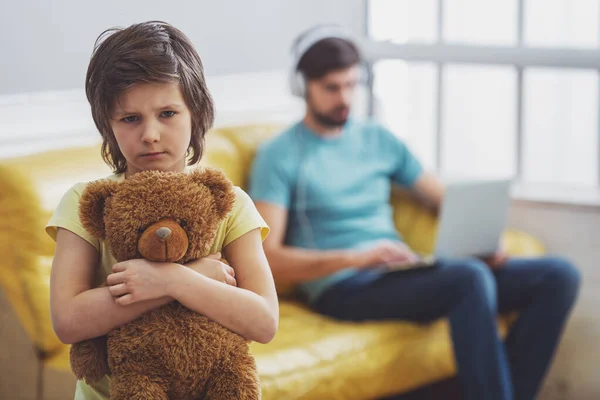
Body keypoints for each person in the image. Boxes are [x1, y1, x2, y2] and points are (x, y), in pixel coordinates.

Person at [248, 24, 580, 400]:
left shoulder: (378, 139)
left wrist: (484, 240)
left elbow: (443, 198)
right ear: (303, 86)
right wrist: (357, 257)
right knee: (468, 279)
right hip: (343, 285)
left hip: (400, 272)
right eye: (331, 88)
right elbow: (268, 258)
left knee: (557, 275)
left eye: (351, 86)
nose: (344, 98)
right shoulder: (279, 156)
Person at [46, 21, 278, 399]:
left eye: (167, 113)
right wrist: (187, 278)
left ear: (196, 112)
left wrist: (173, 281)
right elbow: (69, 321)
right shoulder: (85, 201)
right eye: (130, 118)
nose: (150, 134)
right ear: (109, 125)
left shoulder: (231, 204)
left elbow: (264, 322)